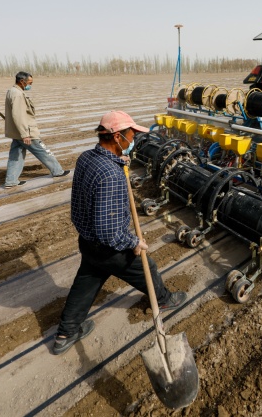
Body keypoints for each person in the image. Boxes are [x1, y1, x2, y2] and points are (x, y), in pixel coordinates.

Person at [52, 110, 187, 355]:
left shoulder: (87, 158)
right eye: (131, 135)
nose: (133, 139)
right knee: (148, 267)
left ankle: (65, 333)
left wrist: (118, 162)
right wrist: (133, 241)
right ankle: (164, 299)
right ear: (116, 137)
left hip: (87, 241)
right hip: (108, 248)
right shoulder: (111, 175)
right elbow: (108, 231)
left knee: (87, 282)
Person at [3, 71, 70, 188]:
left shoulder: (12, 91)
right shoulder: (17, 94)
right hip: (26, 132)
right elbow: (18, 116)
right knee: (42, 151)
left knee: (16, 156)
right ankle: (57, 171)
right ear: (22, 81)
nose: (30, 85)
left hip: (17, 132)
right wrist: (25, 134)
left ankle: (11, 181)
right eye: (29, 83)